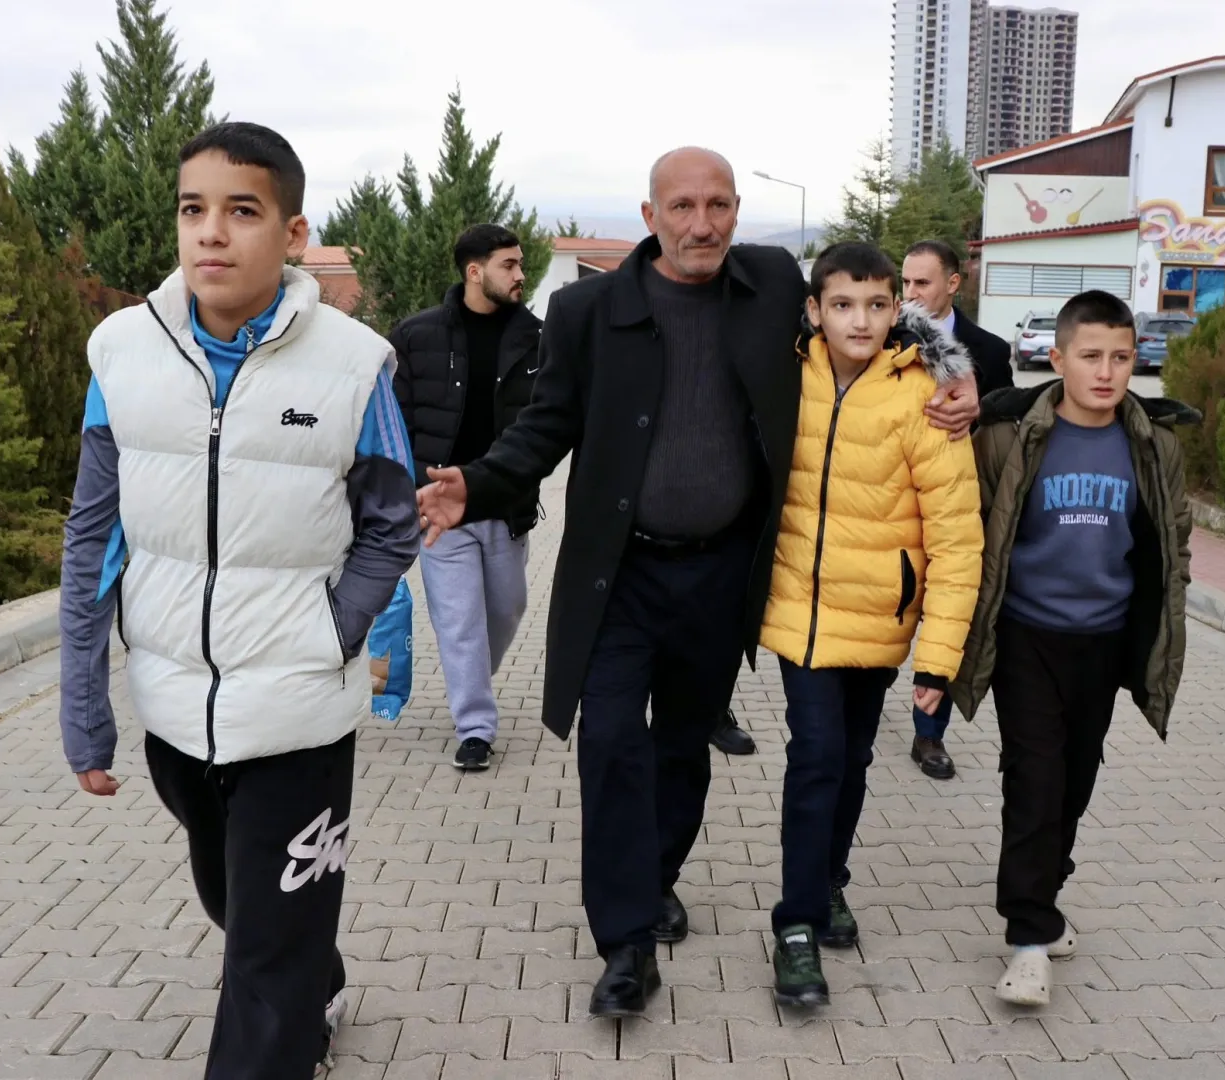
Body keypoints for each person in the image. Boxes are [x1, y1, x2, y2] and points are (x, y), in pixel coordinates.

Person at [414, 147, 982, 1018]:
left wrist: (957, 376)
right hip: (619, 575)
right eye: (682, 207)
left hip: (721, 573)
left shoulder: (770, 283)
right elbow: (546, 425)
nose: (701, 223)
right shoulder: (587, 310)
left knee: (682, 747)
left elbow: (878, 313)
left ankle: (658, 878)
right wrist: (479, 483)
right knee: (611, 742)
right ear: (651, 217)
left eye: (718, 205)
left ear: (737, 211)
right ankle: (626, 945)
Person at [57, 122, 420, 1079]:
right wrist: (84, 708)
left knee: (263, 956)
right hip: (176, 712)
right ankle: (314, 977)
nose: (211, 232)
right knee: (239, 901)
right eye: (193, 209)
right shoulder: (121, 353)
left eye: (242, 211)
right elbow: (91, 536)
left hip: (299, 714)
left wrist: (334, 631)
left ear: (293, 233)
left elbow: (391, 524)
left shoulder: (355, 365)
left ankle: (288, 1012)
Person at [949, 290, 1194, 1007]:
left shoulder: (1153, 444)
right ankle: (1028, 937)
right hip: (1026, 634)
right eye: (1091, 356)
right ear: (1057, 360)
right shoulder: (1010, 435)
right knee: (1035, 778)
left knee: (1075, 780)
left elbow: (1173, 538)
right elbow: (972, 528)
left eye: (1121, 357)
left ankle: (1045, 900)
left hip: (1105, 639)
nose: (1106, 371)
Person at [759, 243, 983, 1006]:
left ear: (899, 311)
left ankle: (829, 880)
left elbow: (957, 538)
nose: (860, 321)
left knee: (853, 757)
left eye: (878, 305)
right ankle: (796, 924)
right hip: (798, 611)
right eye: (842, 305)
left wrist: (938, 660)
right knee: (817, 755)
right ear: (814, 310)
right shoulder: (784, 374)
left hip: (881, 618)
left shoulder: (926, 398)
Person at [390, 225, 542, 771]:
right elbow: (395, 421)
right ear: (475, 272)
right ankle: (475, 727)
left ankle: (471, 676)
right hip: (440, 511)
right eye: (509, 265)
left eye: (520, 263)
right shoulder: (416, 336)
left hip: (504, 504)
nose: (521, 274)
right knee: (460, 622)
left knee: (507, 609)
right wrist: (416, 488)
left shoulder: (538, 338)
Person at [899, 239, 1015, 781]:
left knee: (949, 617)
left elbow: (1007, 421)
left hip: (956, 508)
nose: (910, 294)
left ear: (952, 283)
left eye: (922, 283)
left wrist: (978, 410)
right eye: (905, 282)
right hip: (894, 506)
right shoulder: (886, 335)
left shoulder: (989, 350)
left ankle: (929, 735)